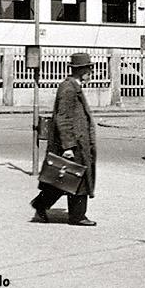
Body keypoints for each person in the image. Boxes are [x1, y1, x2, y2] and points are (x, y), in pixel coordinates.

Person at [30, 52, 98, 226]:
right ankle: (77, 216)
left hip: (77, 143)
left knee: (62, 181)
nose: (91, 73)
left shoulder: (73, 86)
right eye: (89, 69)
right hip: (72, 145)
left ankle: (40, 205)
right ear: (82, 71)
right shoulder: (68, 88)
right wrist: (68, 146)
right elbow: (63, 118)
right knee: (75, 179)